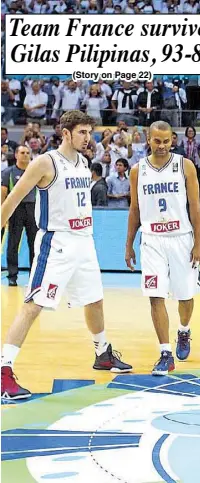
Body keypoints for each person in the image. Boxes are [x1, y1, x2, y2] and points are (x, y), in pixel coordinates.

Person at [0, 110, 132, 401]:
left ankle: (103, 353)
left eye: (90, 132)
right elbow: (14, 197)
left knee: (94, 300)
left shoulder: (84, 162)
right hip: (56, 243)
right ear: (66, 133)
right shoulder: (45, 162)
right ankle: (3, 371)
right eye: (82, 132)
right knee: (33, 305)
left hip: (84, 241)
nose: (88, 138)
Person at [124, 121, 200, 375]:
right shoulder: (137, 171)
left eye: (166, 141)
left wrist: (198, 243)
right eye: (157, 141)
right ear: (148, 139)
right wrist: (129, 244)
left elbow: (195, 207)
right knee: (155, 295)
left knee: (185, 295)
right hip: (151, 240)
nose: (161, 145)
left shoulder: (184, 166)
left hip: (181, 238)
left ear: (172, 140)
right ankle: (165, 353)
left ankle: (183, 330)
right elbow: (134, 209)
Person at [1, 145, 37, 286]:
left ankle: (34, 276)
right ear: (16, 155)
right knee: (13, 243)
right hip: (15, 209)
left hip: (33, 209)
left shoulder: (35, 172)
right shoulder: (8, 172)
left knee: (34, 244)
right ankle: (12, 275)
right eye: (22, 153)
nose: (25, 155)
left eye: (28, 153)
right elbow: (3, 194)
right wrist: (3, 213)